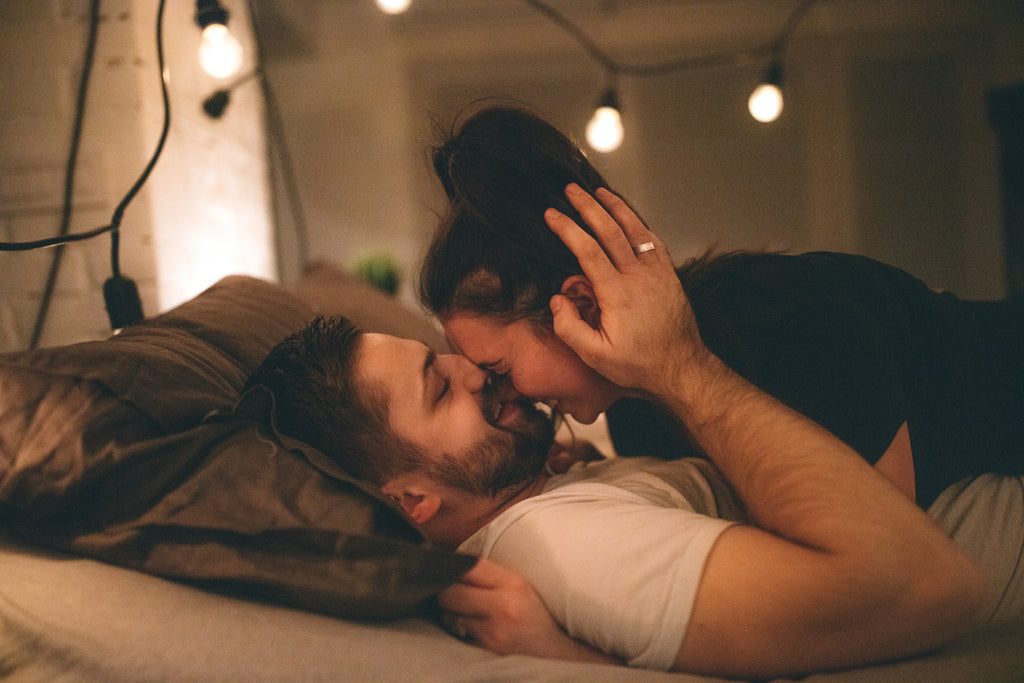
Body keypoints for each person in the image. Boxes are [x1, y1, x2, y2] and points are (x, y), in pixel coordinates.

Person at [245, 189, 991, 677]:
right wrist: (563, 661)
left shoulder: (597, 448)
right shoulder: (558, 545)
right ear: (410, 500)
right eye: (444, 386)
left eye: (473, 363)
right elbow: (928, 588)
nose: (481, 380)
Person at [420, 103, 1024, 510]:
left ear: (580, 303)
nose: (507, 400)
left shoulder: (786, 323)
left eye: (500, 372)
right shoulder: (636, 414)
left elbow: (888, 560)